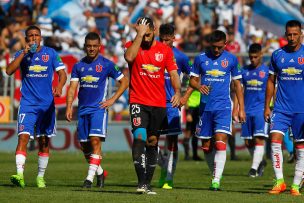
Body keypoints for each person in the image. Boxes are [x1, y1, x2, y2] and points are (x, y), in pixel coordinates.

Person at [124, 17, 181, 195]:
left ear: (154, 30)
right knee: (139, 137)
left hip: (158, 103)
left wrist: (178, 91)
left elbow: (173, 74)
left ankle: (147, 183)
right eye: (143, 34)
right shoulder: (132, 45)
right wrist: (139, 36)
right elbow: (129, 57)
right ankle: (140, 182)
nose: (146, 38)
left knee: (153, 141)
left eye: (148, 34)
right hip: (138, 100)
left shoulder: (164, 50)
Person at [6, 25, 67, 188]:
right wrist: (24, 53)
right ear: (26, 39)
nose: (34, 38)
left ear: (41, 38)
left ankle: (40, 177)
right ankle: (19, 175)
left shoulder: (51, 53)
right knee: (23, 137)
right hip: (27, 104)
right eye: (30, 36)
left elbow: (62, 74)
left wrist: (60, 86)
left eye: (36, 35)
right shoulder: (21, 54)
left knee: (44, 141)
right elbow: (9, 71)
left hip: (46, 105)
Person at [65, 32, 129, 188]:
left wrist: (112, 100)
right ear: (85, 46)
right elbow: (72, 87)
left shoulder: (107, 64)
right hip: (82, 110)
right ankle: (100, 173)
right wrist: (68, 106)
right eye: (89, 46)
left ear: (99, 47)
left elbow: (125, 82)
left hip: (98, 109)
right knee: (84, 146)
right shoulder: (78, 65)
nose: (92, 49)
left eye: (95, 46)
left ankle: (88, 179)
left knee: (95, 141)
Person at [189, 30, 246, 191]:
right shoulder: (200, 58)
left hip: (224, 107)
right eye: (214, 47)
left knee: (220, 142)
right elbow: (191, 80)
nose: (216, 50)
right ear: (209, 44)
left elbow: (237, 85)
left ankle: (216, 180)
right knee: (206, 146)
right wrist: (199, 86)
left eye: (220, 47)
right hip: (205, 108)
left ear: (225, 45)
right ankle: (214, 173)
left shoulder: (231, 59)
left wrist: (241, 108)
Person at [264, 20, 304, 196]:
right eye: (289, 34)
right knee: (274, 140)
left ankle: (295, 185)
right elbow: (271, 81)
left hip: (301, 109)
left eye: (295, 34)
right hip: (280, 108)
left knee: (300, 147)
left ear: (301, 34)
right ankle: (279, 181)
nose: (292, 37)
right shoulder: (277, 55)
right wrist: (267, 106)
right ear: (285, 34)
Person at [157, 23, 193, 190]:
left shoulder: (180, 57)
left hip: (171, 105)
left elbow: (194, 78)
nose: (164, 44)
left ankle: (169, 176)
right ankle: (163, 165)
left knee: (172, 140)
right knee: (150, 141)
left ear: (173, 38)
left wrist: (184, 95)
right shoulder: (152, 53)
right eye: (161, 40)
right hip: (153, 103)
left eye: (167, 40)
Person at [235, 43, 268, 177]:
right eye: (251, 57)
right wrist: (236, 108)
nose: (253, 59)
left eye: (255, 57)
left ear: (261, 55)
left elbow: (273, 90)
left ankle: (253, 169)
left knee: (259, 138)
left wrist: (271, 107)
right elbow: (239, 90)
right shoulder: (244, 71)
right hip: (246, 110)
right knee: (248, 141)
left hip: (261, 110)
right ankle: (260, 162)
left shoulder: (266, 71)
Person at [182, 90, 202, 161]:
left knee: (195, 133)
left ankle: (195, 155)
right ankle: (187, 155)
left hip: (198, 108)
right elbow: (185, 96)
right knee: (188, 132)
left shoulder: (201, 81)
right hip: (191, 108)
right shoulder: (190, 81)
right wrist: (187, 113)